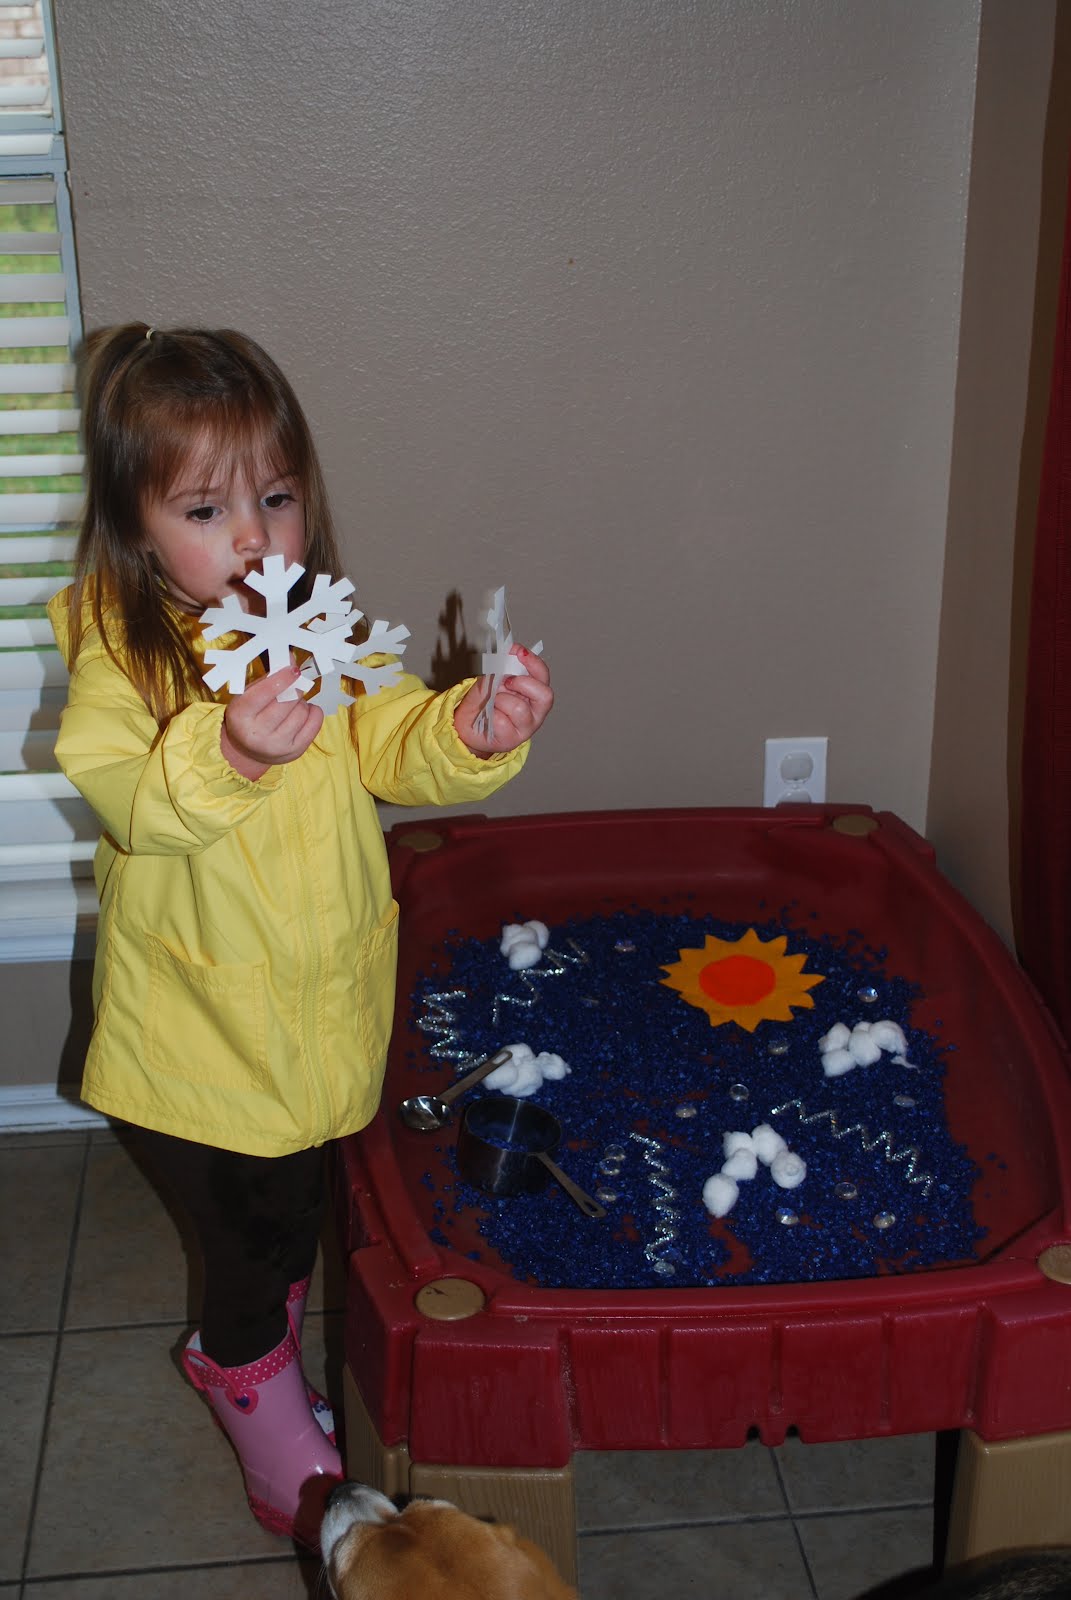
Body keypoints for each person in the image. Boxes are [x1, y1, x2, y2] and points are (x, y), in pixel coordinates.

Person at [48, 323, 554, 1548]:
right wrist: (222, 751)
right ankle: (241, 1369)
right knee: (245, 1233)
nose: (256, 535)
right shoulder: (124, 658)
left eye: (274, 497)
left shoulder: (316, 629)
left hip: (317, 1012)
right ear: (135, 526)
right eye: (208, 508)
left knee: (299, 1203)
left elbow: (389, 735)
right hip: (195, 1042)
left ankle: (261, 1317)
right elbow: (121, 791)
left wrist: (473, 731)